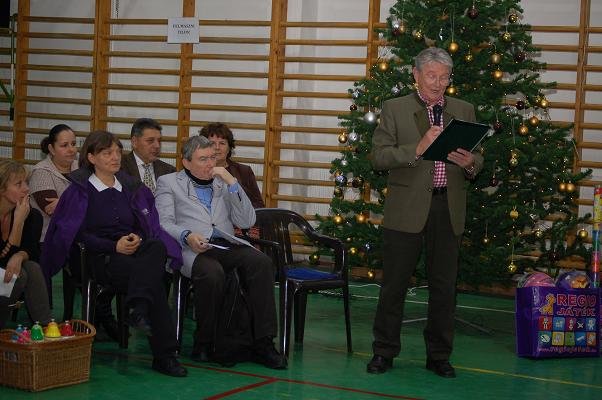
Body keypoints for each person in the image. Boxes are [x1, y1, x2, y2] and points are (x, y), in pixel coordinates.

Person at [367, 47, 484, 379]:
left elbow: (479, 158)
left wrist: (471, 163)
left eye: (444, 76)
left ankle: (439, 355)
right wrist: (415, 150)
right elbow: (378, 157)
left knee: (445, 287)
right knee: (394, 285)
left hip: (449, 207)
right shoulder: (395, 108)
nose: (438, 83)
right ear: (415, 75)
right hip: (406, 209)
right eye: (431, 75)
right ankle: (383, 351)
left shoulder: (464, 109)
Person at [41, 130, 187, 377]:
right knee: (153, 283)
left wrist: (137, 238)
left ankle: (138, 307)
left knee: (156, 246)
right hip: (98, 257)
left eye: (118, 152)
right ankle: (164, 354)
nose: (115, 157)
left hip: (132, 252)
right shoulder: (79, 190)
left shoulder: (131, 187)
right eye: (107, 153)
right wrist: (113, 246)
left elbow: (147, 226)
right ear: (91, 157)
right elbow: (75, 234)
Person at [155, 135, 286, 369]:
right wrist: (187, 235)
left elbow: (247, 221)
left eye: (212, 158)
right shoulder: (169, 182)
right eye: (202, 159)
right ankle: (204, 342)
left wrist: (232, 183)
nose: (209, 164)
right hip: (191, 248)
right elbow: (163, 223)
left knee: (262, 263)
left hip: (224, 244)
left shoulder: (221, 182)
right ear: (186, 162)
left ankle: (263, 342)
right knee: (212, 272)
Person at [0, 160, 51, 329]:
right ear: (1, 189)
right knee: (19, 274)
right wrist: (18, 224)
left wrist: (19, 255)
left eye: (26, 182)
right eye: (18, 184)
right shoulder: (23, 215)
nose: (26, 188)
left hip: (5, 275)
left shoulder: (32, 215)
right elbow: (1, 261)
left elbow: (33, 252)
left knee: (31, 268)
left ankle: (45, 328)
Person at [29, 124, 78, 242]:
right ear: (51, 149)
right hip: (48, 240)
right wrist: (81, 201)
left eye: (73, 144)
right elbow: (55, 212)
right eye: (64, 145)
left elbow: (97, 200)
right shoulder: (41, 172)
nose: (71, 149)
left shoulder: (81, 167)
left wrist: (63, 202)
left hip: (77, 237)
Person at [199, 122, 264, 208]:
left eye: (222, 143)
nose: (217, 147)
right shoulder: (196, 171)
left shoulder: (244, 172)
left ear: (229, 147)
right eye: (212, 143)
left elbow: (258, 206)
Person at [121, 117, 176, 194]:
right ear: (134, 142)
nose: (157, 146)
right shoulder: (120, 168)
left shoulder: (169, 171)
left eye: (159, 141)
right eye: (150, 141)